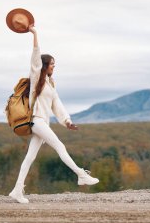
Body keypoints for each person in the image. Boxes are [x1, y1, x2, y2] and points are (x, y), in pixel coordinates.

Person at [9, 25, 99, 204]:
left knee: (30, 158)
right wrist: (34, 34)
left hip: (43, 123)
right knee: (60, 147)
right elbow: (35, 56)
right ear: (44, 66)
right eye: (52, 65)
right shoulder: (36, 79)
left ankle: (17, 190)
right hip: (36, 121)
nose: (54, 67)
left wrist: (67, 121)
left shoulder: (50, 84)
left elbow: (57, 104)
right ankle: (81, 175)